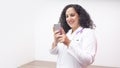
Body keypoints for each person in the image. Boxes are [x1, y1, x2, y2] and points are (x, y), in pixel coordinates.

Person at [50, 4, 97, 68]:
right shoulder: (67, 33)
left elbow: (88, 60)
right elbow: (53, 52)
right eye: (67, 16)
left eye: (72, 15)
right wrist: (55, 41)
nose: (69, 18)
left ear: (80, 16)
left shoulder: (88, 33)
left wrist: (68, 43)